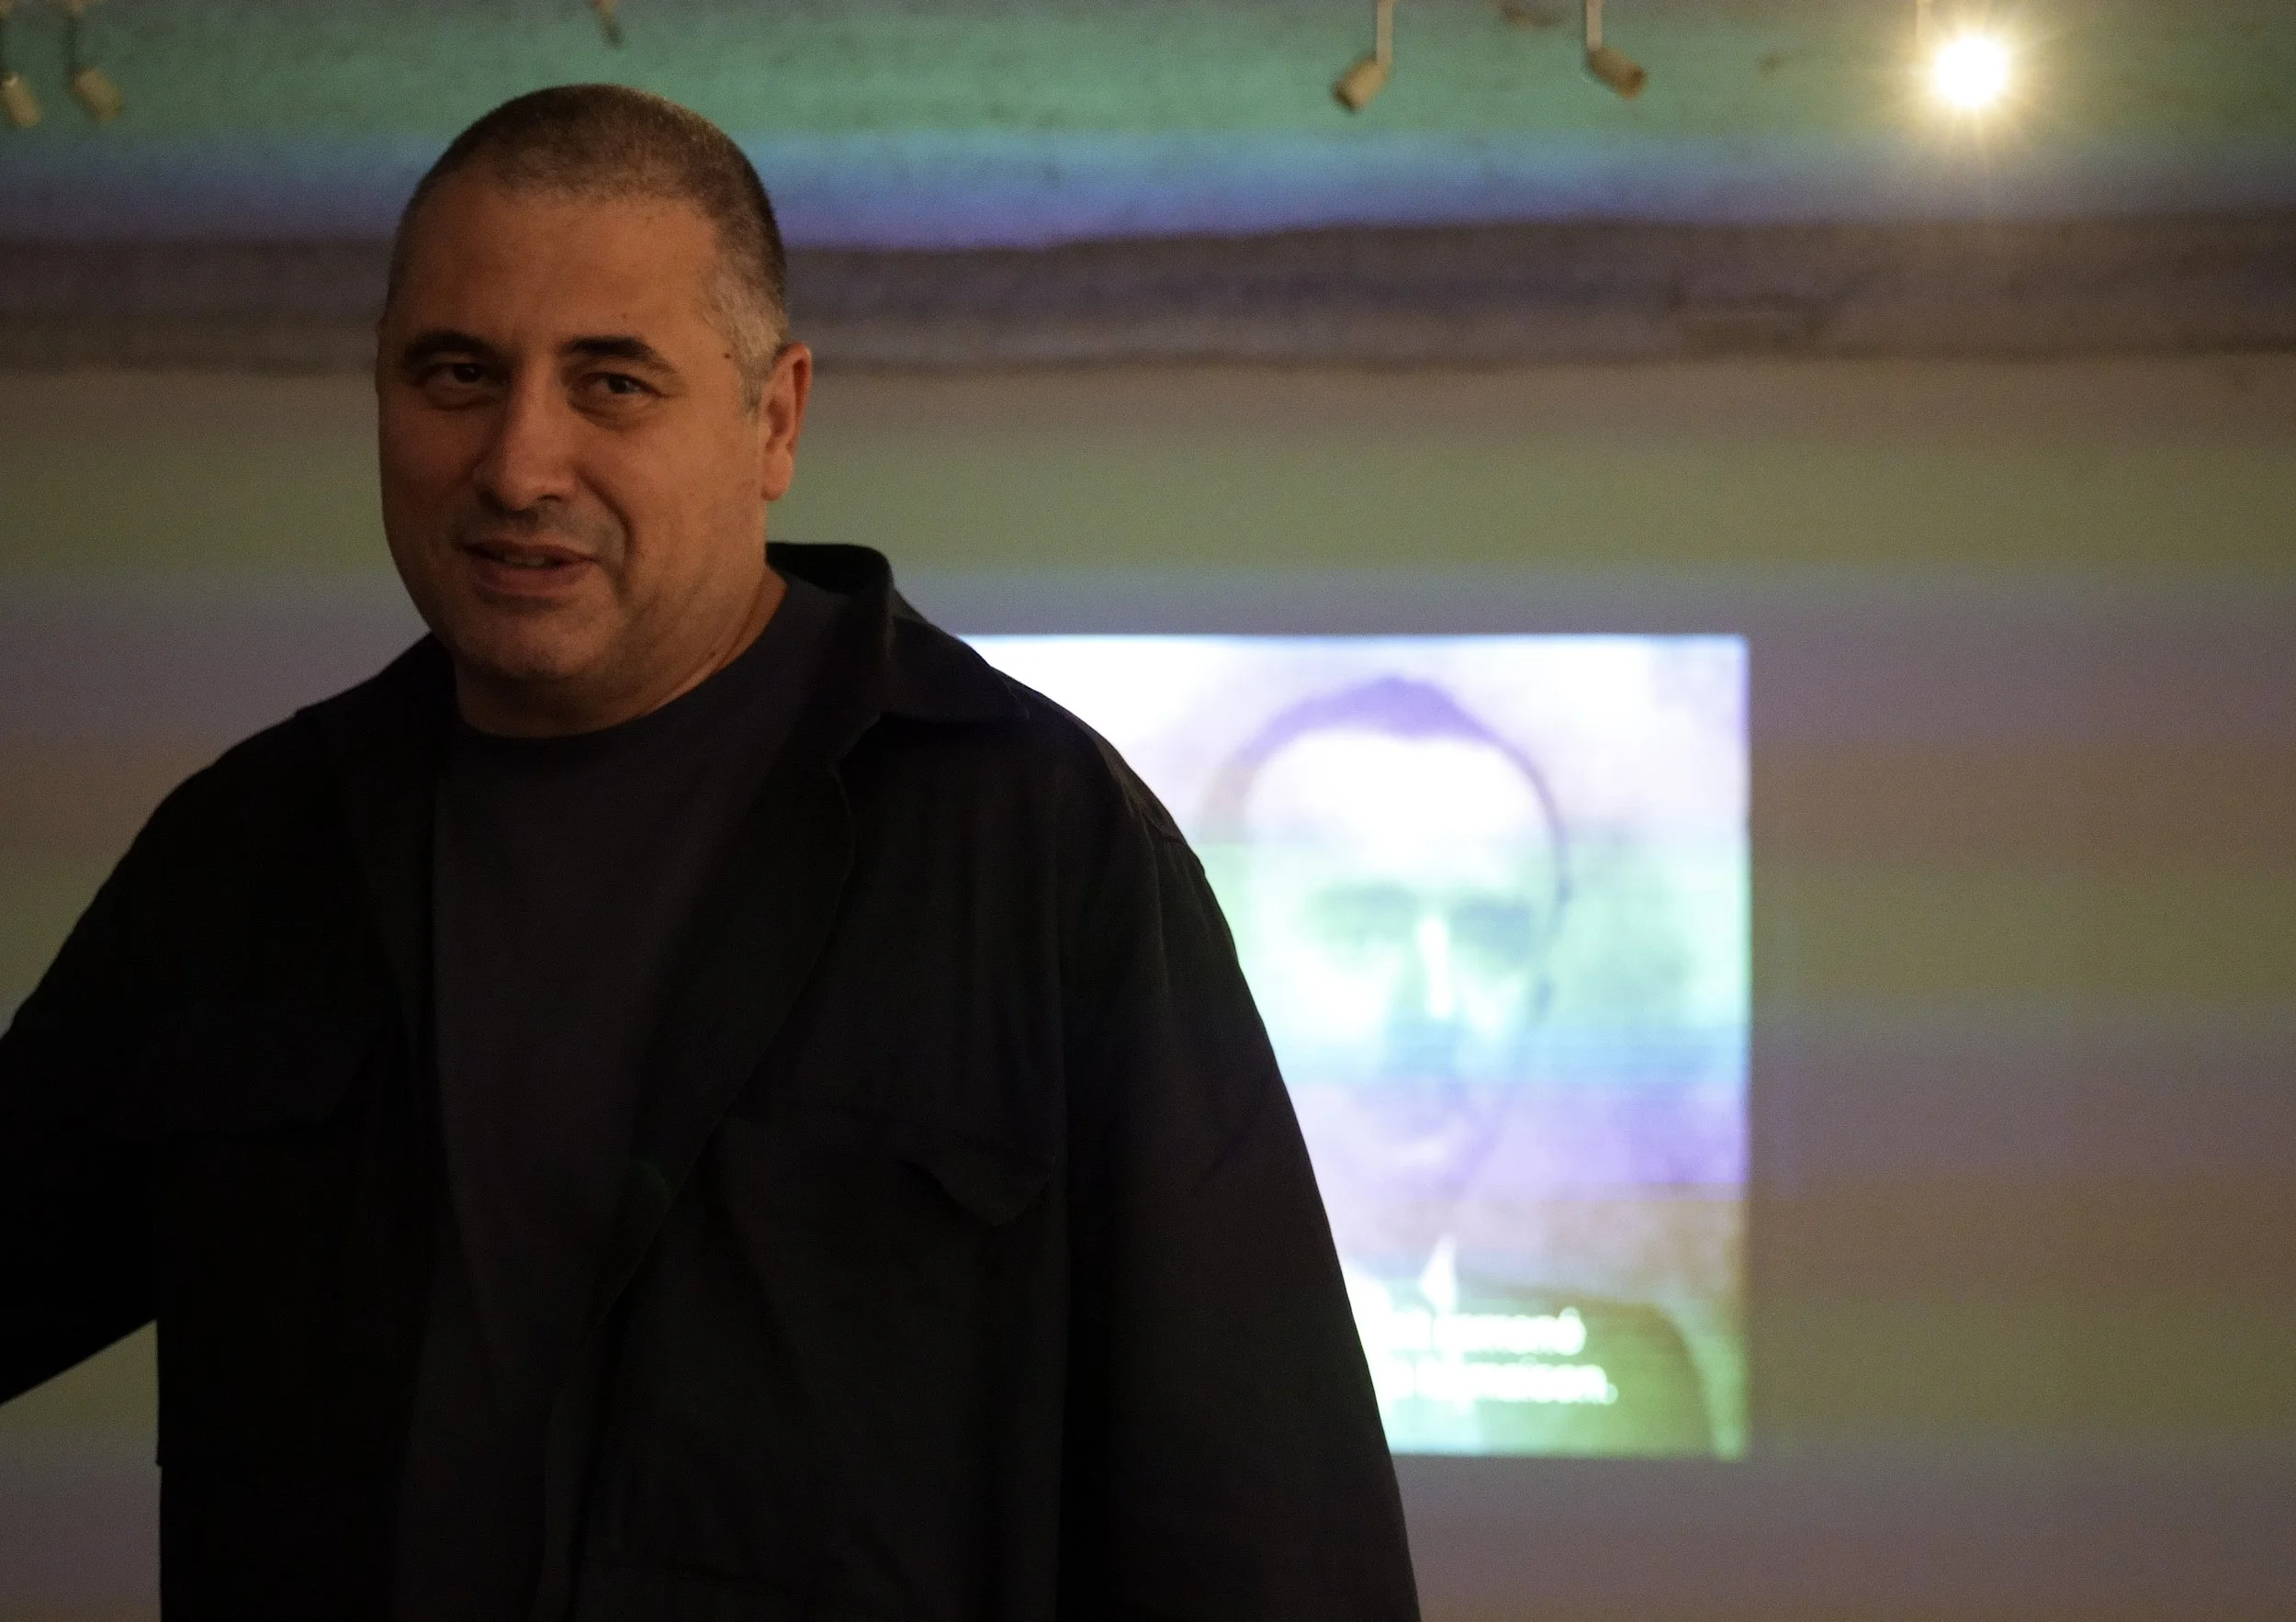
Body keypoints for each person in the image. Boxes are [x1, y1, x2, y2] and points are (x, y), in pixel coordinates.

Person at [0, 85, 1418, 1620]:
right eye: (458, 373)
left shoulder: (1037, 845)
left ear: (775, 420)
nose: (518, 462)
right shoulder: (247, 857)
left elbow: (1264, 1516)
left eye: (612, 383)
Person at [1200, 676, 1713, 1457]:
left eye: (1490, 938)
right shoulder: (1112, 1344)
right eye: (1362, 931)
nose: (1434, 1008)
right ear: (1221, 971)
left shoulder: (1640, 1382)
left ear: (1538, 1000)